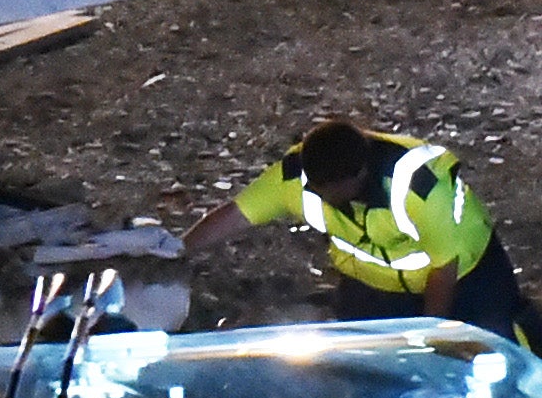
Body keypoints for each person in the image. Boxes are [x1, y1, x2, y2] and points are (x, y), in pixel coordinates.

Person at [184, 119, 534, 343]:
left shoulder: (420, 188)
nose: (325, 197)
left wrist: (429, 335)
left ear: (362, 173)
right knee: (373, 380)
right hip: (373, 288)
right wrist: (171, 252)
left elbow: (444, 268)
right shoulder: (295, 175)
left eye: (335, 189)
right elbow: (236, 215)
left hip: (468, 279)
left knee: (501, 351)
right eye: (319, 188)